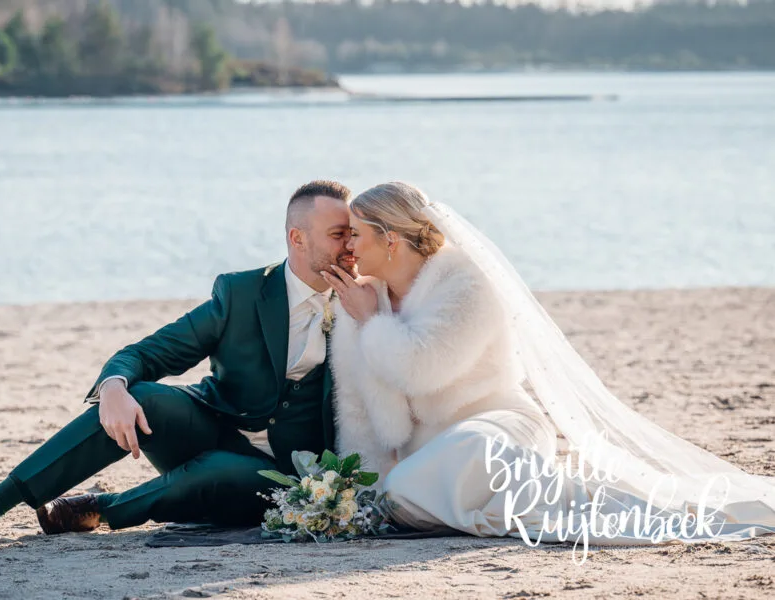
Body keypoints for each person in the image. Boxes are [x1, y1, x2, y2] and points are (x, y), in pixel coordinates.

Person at [323, 181, 775, 547]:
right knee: (398, 491)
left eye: (357, 235)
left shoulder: (464, 282)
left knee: (435, 470)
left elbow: (420, 369)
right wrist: (357, 494)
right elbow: (357, 406)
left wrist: (373, 322)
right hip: (429, 456)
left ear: (391, 239)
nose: (350, 249)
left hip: (496, 426)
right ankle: (427, 494)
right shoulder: (363, 299)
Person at [0, 180, 356, 552]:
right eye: (339, 234)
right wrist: (112, 388)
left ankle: (101, 508)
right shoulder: (241, 294)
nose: (352, 246)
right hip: (210, 426)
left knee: (219, 471)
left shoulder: (363, 304)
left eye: (353, 234)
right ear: (297, 238)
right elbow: (148, 353)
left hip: (285, 471)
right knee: (141, 395)